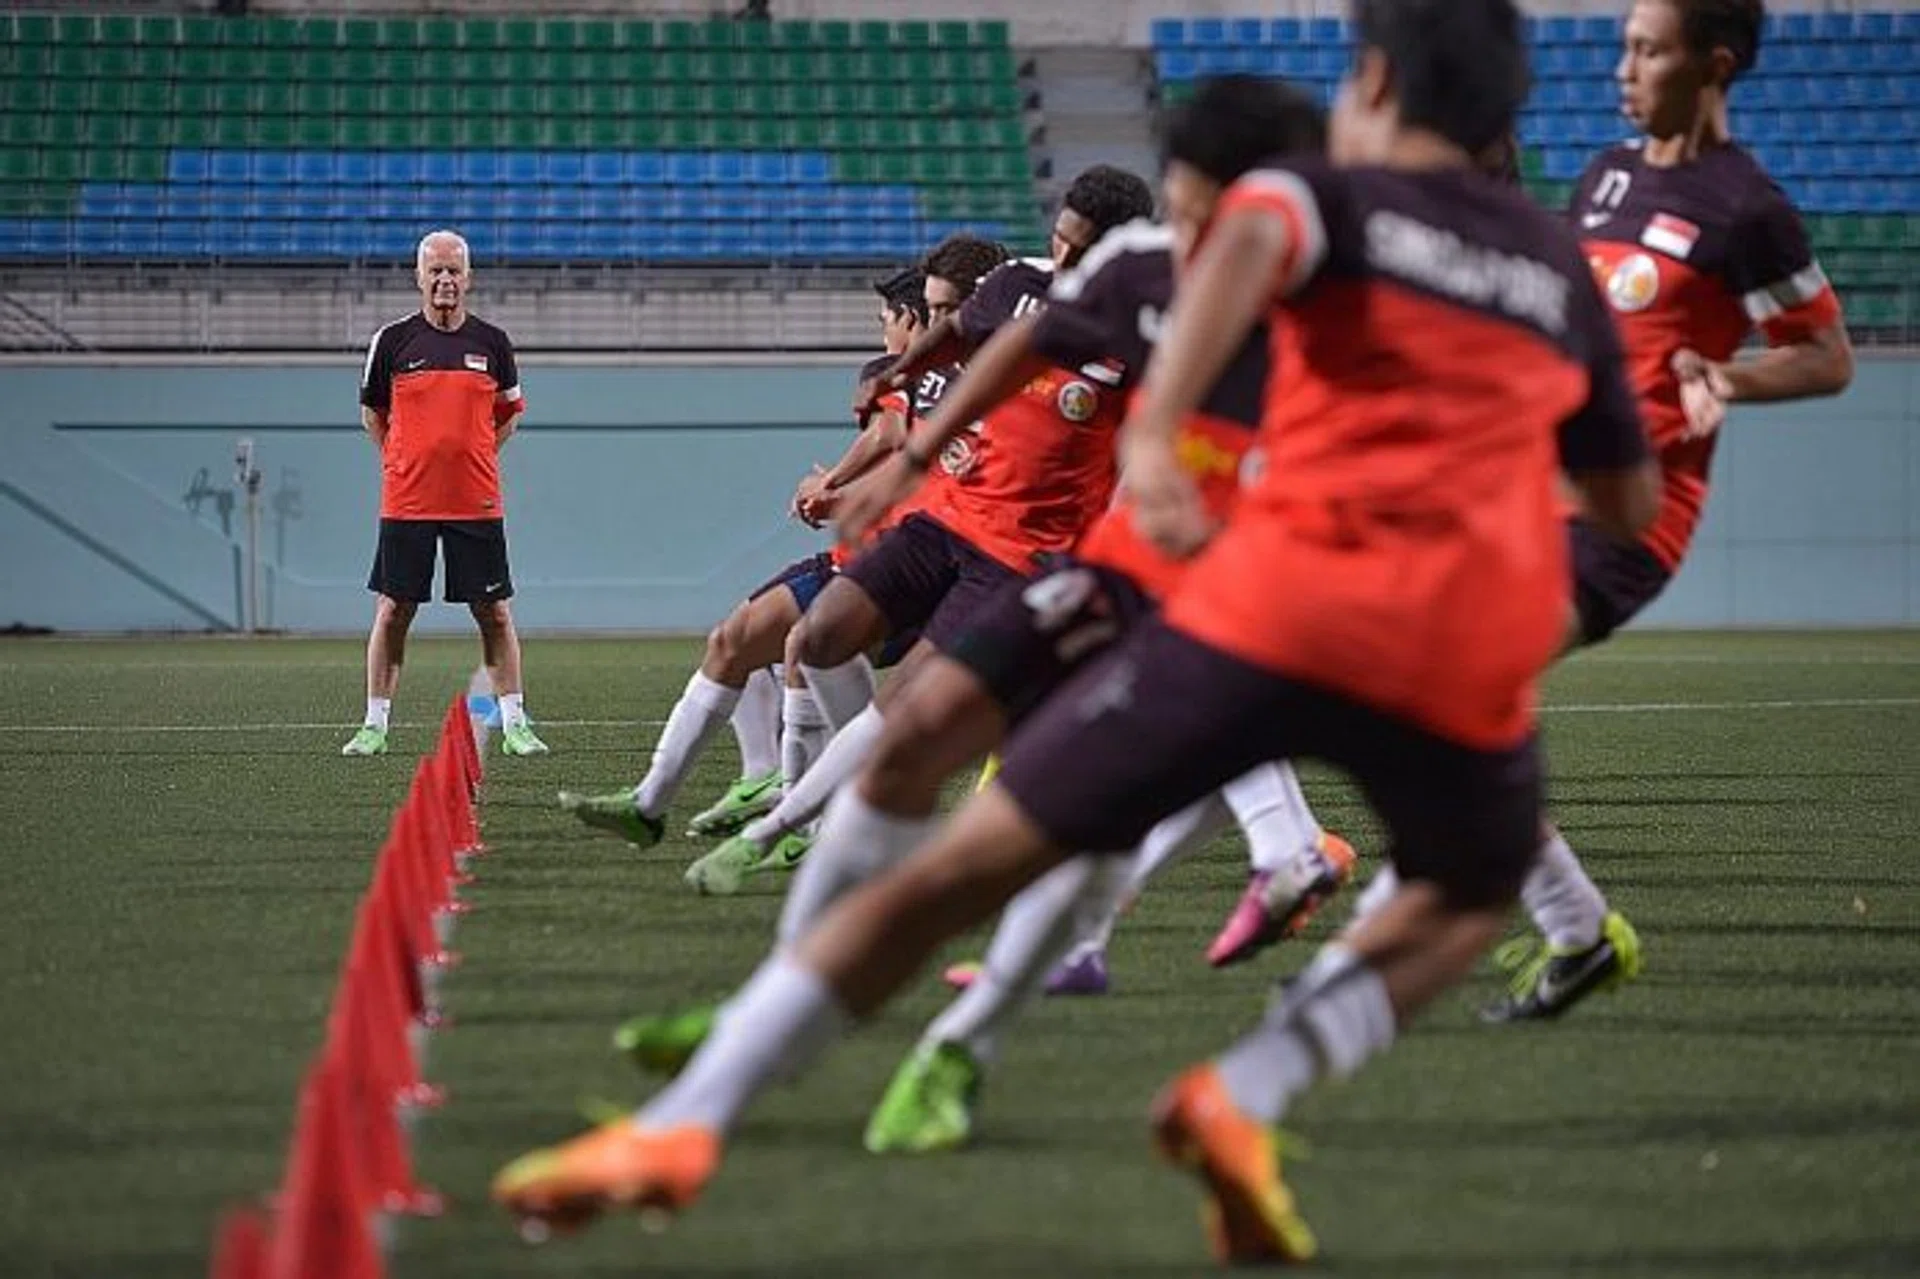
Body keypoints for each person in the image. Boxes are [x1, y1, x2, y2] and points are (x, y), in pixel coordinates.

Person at [490, 1, 1662, 1261]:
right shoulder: (1554, 270)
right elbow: (1624, 505)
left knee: (972, 855)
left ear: (1372, 82)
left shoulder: (1314, 205)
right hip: (1442, 645)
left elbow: (1231, 265)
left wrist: (1151, 443)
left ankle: (688, 1118)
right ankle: (1244, 1089)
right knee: (1469, 886)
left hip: (1250, 601)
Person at [609, 78, 1348, 1102]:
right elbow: (1026, 349)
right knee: (950, 763)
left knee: (1074, 809)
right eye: (1181, 197)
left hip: (1259, 589)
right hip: (1113, 579)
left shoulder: (1323, 305)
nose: (1187, 225)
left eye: (1208, 202)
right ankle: (831, 1004)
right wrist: (913, 464)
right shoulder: (1134, 265)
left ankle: (1271, 870)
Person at [1477, 0, 1852, 1020]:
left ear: (1713, 64)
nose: (1623, 68)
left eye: (1648, 49)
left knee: (1447, 697)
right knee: (1428, 700)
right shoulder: (1604, 174)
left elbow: (1828, 356)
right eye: (1624, 47)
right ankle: (1567, 931)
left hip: (1626, 519)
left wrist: (1726, 378)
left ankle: (1515, 933)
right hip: (1531, 487)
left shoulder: (1747, 210)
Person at [675, 166, 1156, 893]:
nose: (1065, 260)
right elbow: (962, 345)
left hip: (1027, 557)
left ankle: (784, 826)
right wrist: (892, 378)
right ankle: (871, 788)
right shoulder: (1021, 285)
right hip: (946, 518)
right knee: (818, 638)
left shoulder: (1145, 332)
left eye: (1083, 252)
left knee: (913, 710)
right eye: (1061, 239)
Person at [556, 237, 1008, 890]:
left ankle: (800, 809)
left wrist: (842, 490)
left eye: (924, 312)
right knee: (752, 640)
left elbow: (913, 452)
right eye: (927, 312)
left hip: (959, 563)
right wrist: (844, 491)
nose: (911, 326)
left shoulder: (1007, 369)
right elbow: (905, 447)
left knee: (811, 655)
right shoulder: (924, 372)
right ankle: (698, 799)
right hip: (889, 551)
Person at [343, 229, 544, 758]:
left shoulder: (493, 343)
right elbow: (372, 415)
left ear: (469, 278)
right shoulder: (391, 343)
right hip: (406, 501)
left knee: (494, 612)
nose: (445, 280)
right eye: (436, 271)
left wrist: (473, 455)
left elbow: (508, 418)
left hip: (475, 501)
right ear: (419, 277)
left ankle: (516, 722)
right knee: (393, 610)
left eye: (454, 270)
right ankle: (374, 725)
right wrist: (402, 460)